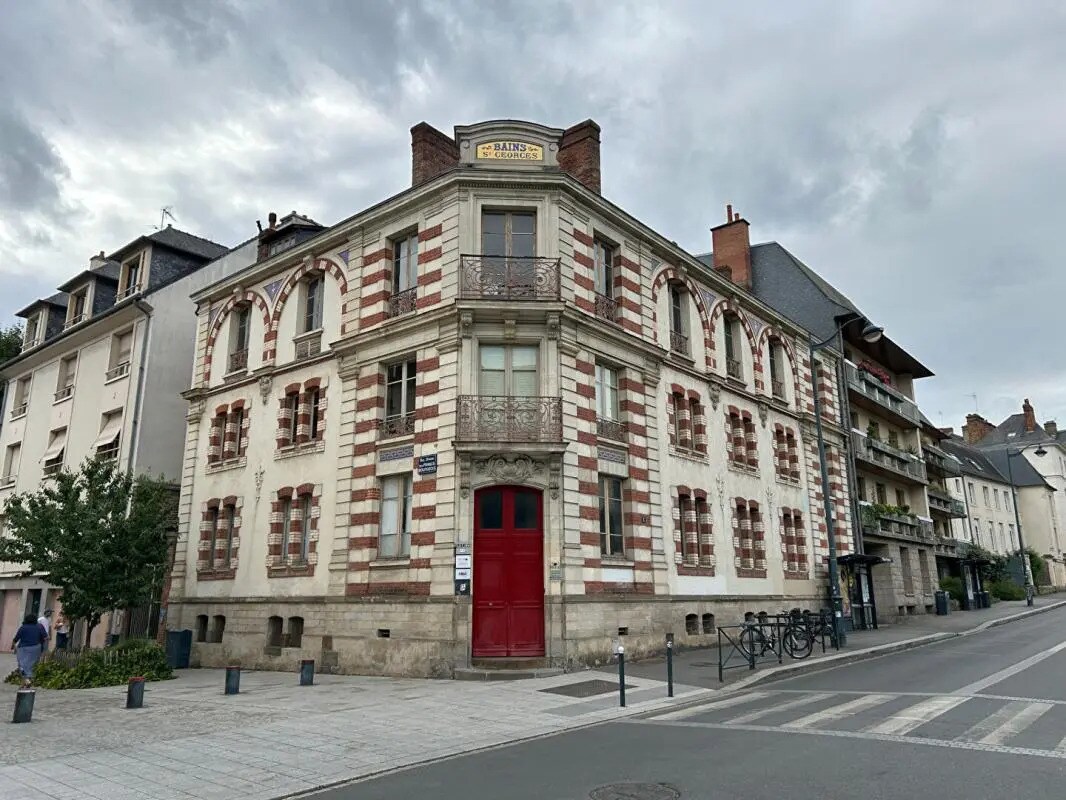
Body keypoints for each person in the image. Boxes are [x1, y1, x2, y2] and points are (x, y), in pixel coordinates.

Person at [12, 614, 48, 687]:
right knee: (32, 665)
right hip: (36, 648)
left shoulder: (23, 628)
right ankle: (25, 682)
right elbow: (46, 637)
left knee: (22, 665)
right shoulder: (39, 627)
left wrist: (13, 647)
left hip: (23, 648)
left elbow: (16, 639)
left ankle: (26, 681)